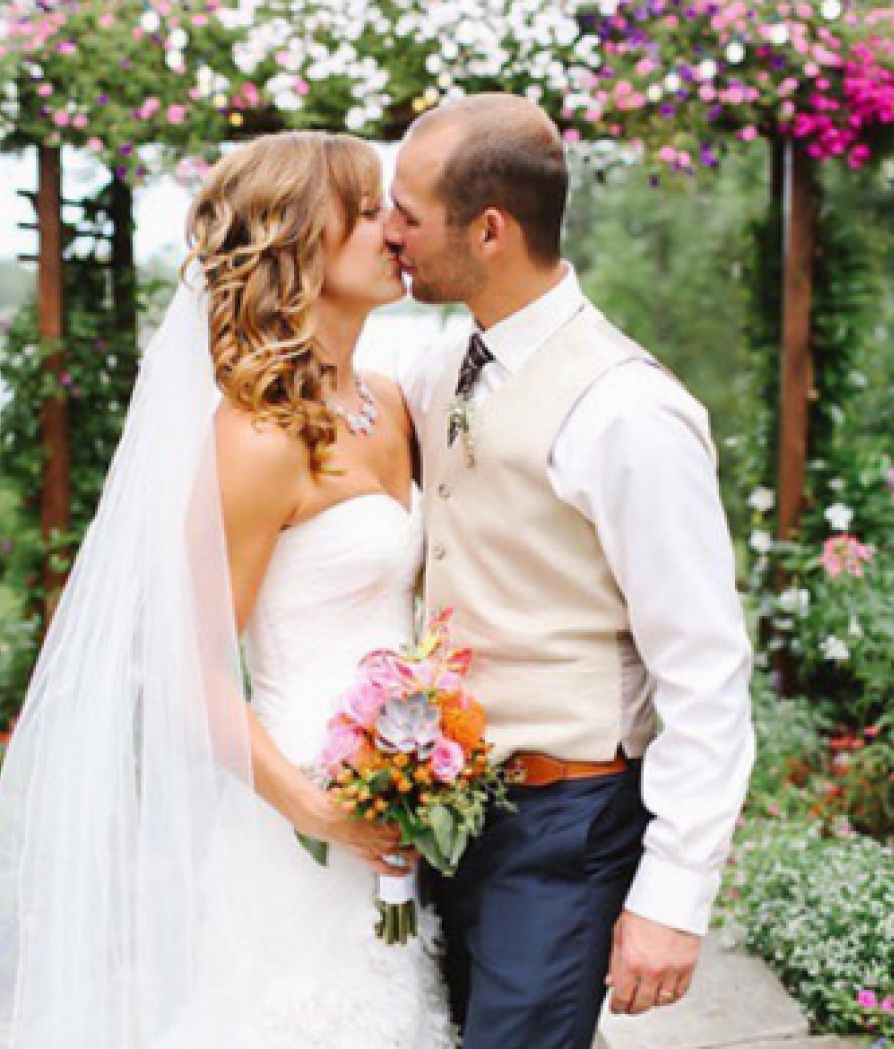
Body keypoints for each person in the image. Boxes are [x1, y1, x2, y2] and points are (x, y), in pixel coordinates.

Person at [0, 132, 454, 1048]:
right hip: (300, 818)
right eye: (367, 209)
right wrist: (315, 809)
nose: (395, 226)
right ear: (302, 240)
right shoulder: (259, 438)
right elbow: (188, 670)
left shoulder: (391, 402)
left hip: (409, 796)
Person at [386, 93, 757, 1049]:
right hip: (444, 814)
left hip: (566, 824)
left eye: (408, 214)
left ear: (491, 229)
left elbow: (706, 668)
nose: (390, 234)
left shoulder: (629, 412)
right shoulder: (435, 372)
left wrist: (674, 894)